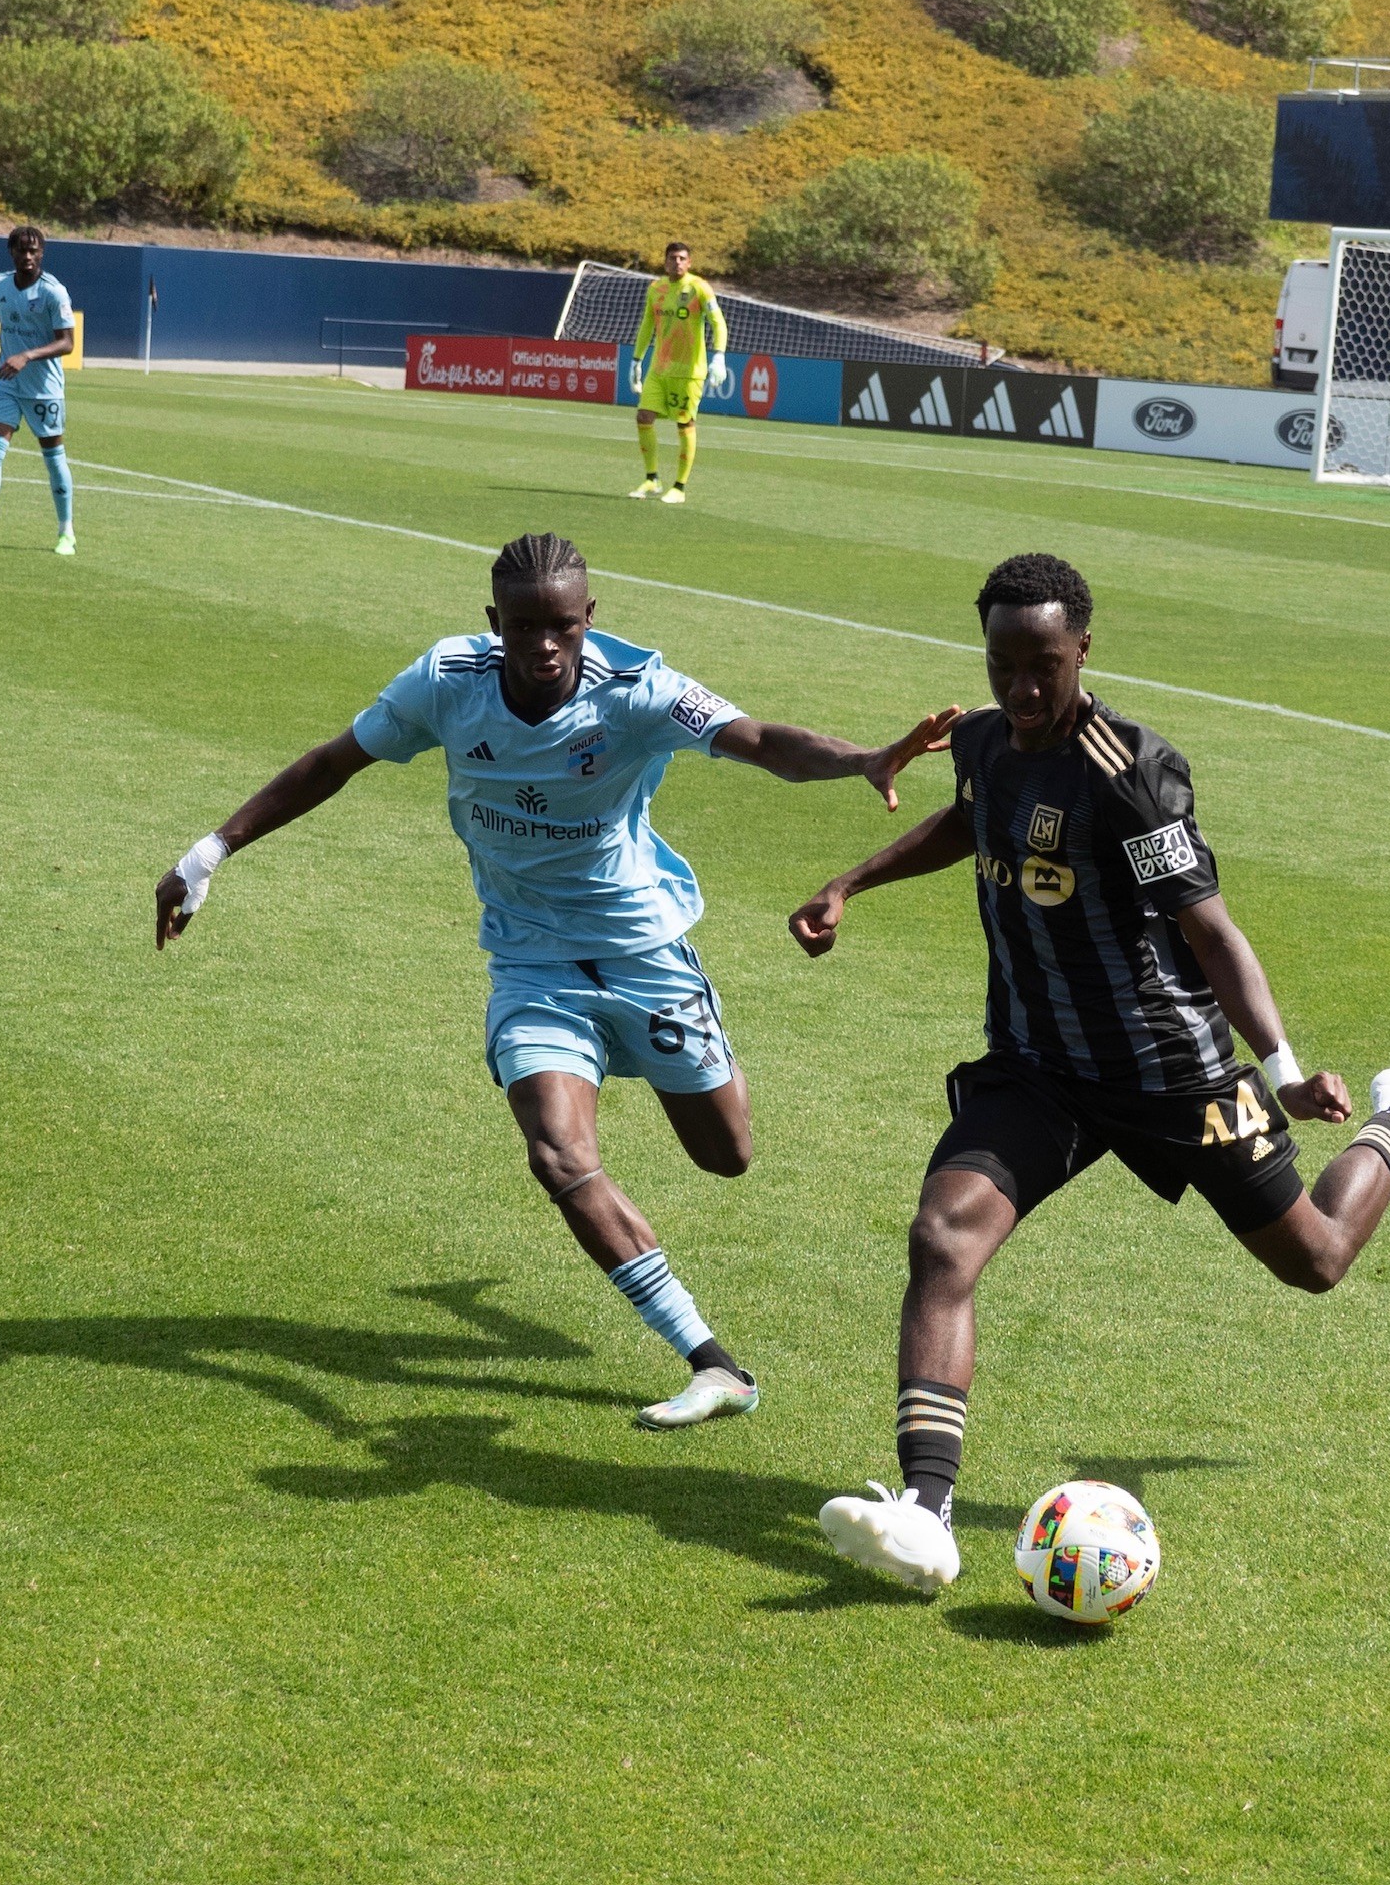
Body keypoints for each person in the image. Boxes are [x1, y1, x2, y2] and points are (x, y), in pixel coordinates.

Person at [792, 553, 1390, 1595]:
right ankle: (926, 1513)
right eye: (1002, 664)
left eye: (1043, 665)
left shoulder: (1129, 772)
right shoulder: (986, 739)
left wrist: (1284, 1072)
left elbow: (1209, 932)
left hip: (1170, 1070)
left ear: (1082, 648)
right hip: (1036, 1066)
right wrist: (850, 881)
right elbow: (971, 817)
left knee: (1313, 1257)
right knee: (942, 1232)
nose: (1022, 690)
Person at [154, 531, 958, 1429]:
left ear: (590, 621)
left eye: (564, 627)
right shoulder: (445, 682)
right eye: (525, 626)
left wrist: (863, 759)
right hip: (530, 961)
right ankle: (713, 1362)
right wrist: (212, 849)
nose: (545, 645)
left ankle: (676, 1065)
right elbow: (333, 762)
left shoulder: (639, 692)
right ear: (493, 621)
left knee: (725, 1154)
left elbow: (762, 739)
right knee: (558, 1156)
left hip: (644, 952)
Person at [0, 226, 77, 556]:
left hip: (44, 389)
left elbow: (67, 342)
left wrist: (27, 355)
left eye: (34, 250)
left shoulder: (54, 293)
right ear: (11, 252)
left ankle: (67, 533)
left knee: (53, 459)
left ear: (42, 254)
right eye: (21, 250)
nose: (27, 255)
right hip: (6, 383)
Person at [628, 241, 727, 507]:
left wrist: (719, 356)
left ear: (690, 262)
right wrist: (636, 360)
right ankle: (652, 479)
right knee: (643, 416)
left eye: (683, 258)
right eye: (673, 258)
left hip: (688, 372)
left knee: (684, 423)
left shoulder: (699, 288)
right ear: (665, 261)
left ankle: (679, 487)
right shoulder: (656, 288)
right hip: (659, 369)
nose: (678, 263)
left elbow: (718, 322)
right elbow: (648, 324)